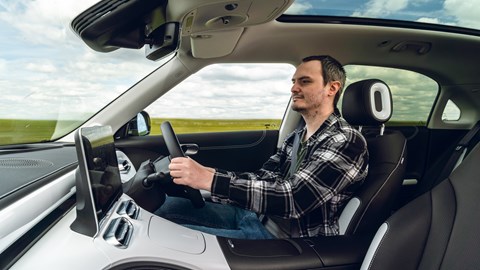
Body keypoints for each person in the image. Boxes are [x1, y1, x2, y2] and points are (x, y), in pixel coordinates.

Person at [156, 55, 369, 239]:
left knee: (166, 240)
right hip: (256, 215)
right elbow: (264, 177)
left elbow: (293, 199)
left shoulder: (346, 141)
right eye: (294, 81)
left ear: (332, 88)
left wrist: (209, 180)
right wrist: (209, 174)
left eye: (304, 81)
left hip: (288, 241)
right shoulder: (296, 136)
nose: (293, 88)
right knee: (166, 208)